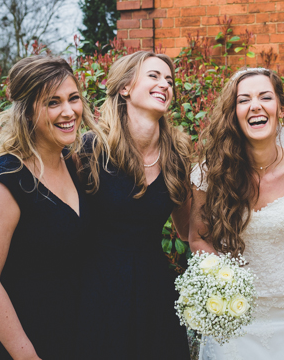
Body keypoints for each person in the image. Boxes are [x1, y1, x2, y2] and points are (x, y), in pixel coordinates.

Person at [0, 56, 103, 359]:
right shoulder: (5, 179)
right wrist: (27, 355)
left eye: (73, 98)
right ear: (27, 112)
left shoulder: (74, 163)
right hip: (17, 344)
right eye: (53, 103)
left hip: (69, 336)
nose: (69, 112)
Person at [189, 67, 284, 360]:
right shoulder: (208, 174)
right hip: (232, 316)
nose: (255, 105)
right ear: (233, 113)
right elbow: (198, 238)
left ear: (281, 109)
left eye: (265, 97)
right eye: (244, 100)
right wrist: (223, 285)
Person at [75, 51, 192, 359]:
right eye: (154, 76)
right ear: (125, 88)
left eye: (169, 80)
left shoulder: (177, 158)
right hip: (98, 290)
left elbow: (188, 230)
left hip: (154, 292)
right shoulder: (91, 149)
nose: (165, 84)